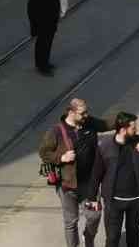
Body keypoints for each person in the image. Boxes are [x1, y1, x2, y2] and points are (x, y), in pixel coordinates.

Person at [39, 97, 112, 247]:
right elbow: (44, 152)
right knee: (71, 222)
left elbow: (105, 124)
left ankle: (88, 237)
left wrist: (124, 119)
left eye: (86, 112)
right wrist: (61, 157)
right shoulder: (56, 131)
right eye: (82, 113)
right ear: (71, 112)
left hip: (89, 183)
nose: (86, 115)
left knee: (95, 216)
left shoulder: (89, 123)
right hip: (67, 185)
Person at [93, 112, 139, 247]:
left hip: (135, 200)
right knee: (112, 237)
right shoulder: (105, 146)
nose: (136, 130)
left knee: (133, 235)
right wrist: (93, 198)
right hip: (114, 201)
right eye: (133, 128)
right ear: (123, 129)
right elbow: (97, 173)